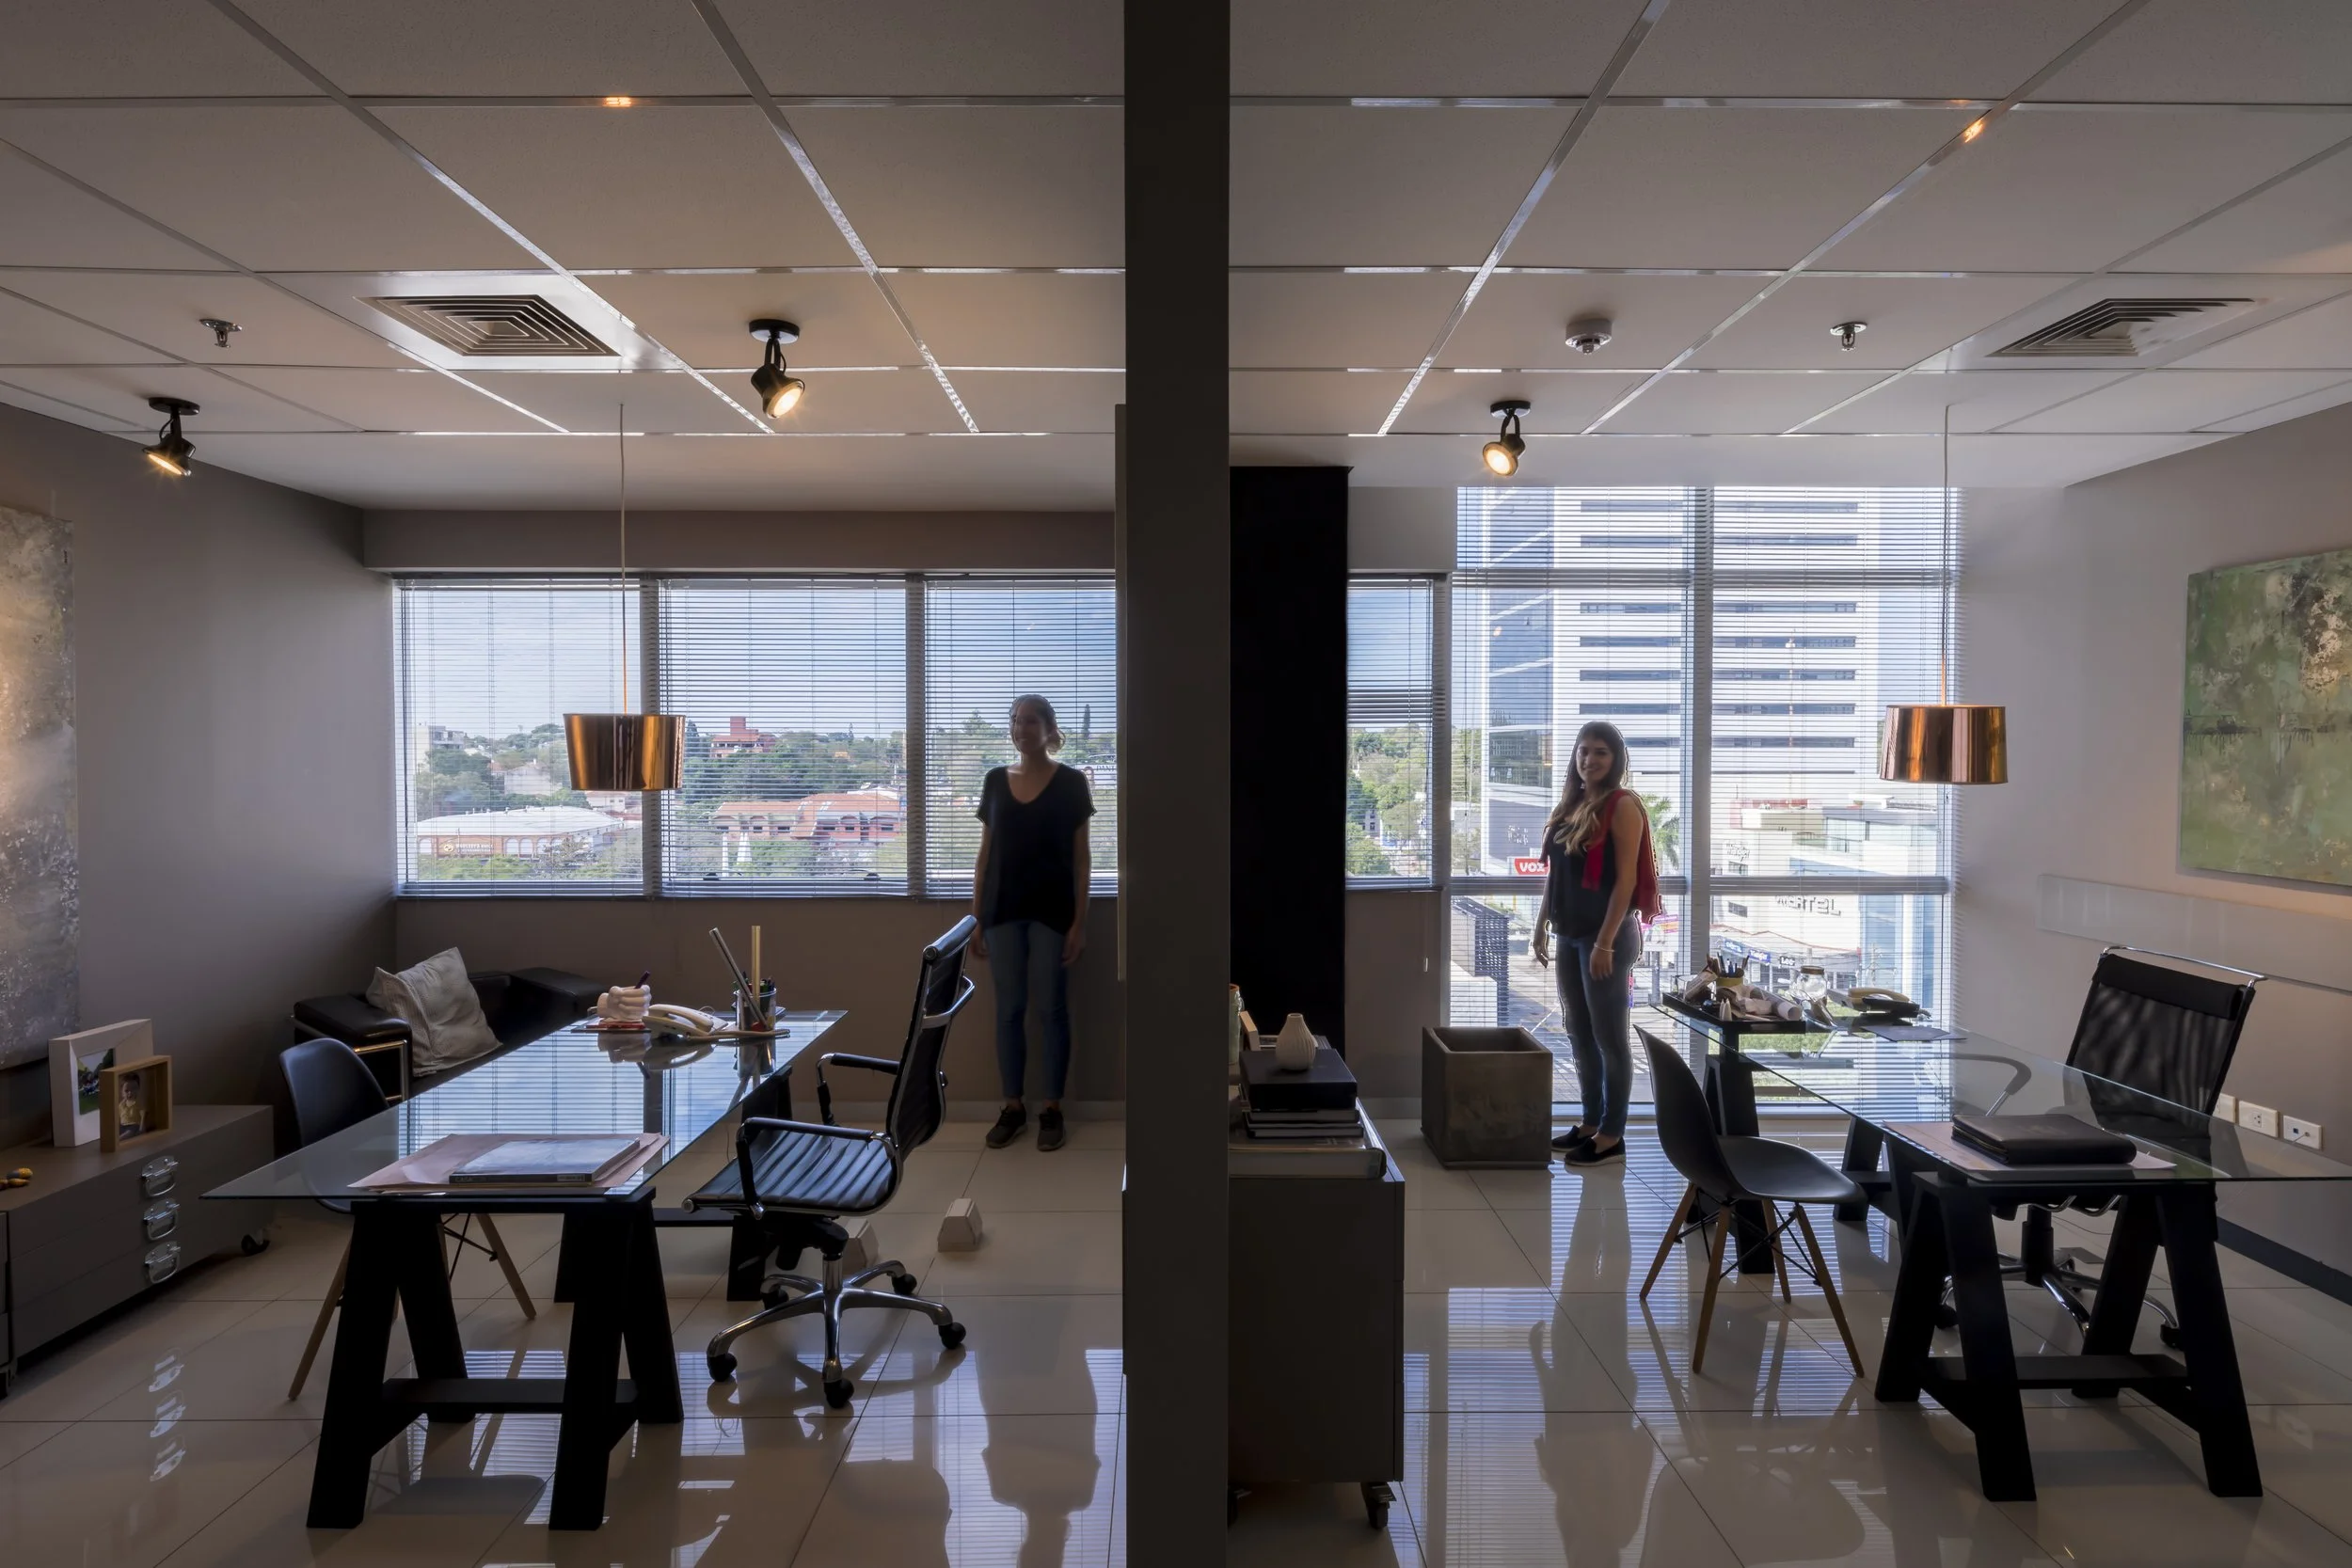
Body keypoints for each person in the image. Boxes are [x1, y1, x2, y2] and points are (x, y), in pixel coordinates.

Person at [1531, 720, 1661, 1168]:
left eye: (1600, 752)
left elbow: (1626, 882)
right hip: (1569, 933)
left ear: (1616, 759)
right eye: (1583, 751)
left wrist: (1605, 943)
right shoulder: (1573, 804)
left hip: (1604, 937)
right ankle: (1589, 1122)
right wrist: (1540, 925)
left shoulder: (1623, 805)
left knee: (1609, 1038)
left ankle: (1611, 1134)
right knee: (1577, 1032)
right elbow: (1557, 874)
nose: (1589, 759)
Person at [971, 693, 1094, 1152]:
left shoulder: (1072, 783)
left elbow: (1082, 860)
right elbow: (985, 855)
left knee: (1052, 1010)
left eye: (1030, 722)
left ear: (1049, 729)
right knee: (1008, 1011)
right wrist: (976, 918)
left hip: (1053, 914)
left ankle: (1052, 1109)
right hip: (1002, 912)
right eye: (1015, 721)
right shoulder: (995, 781)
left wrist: (1079, 922)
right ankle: (1013, 1107)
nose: (1020, 729)